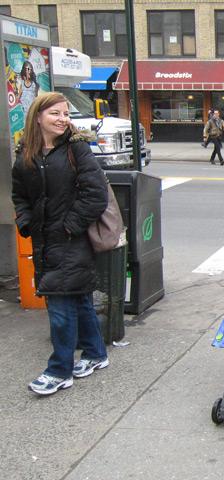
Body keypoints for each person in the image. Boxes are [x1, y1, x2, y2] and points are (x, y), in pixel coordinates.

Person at [12, 92, 110, 396]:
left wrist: (70, 227)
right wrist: (26, 222)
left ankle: (59, 370)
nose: (62, 119)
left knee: (60, 305)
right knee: (78, 298)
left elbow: (96, 194)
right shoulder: (26, 152)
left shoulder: (76, 149)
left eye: (65, 113)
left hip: (69, 239)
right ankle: (96, 354)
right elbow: (20, 194)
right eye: (55, 113)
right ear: (38, 117)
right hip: (44, 240)